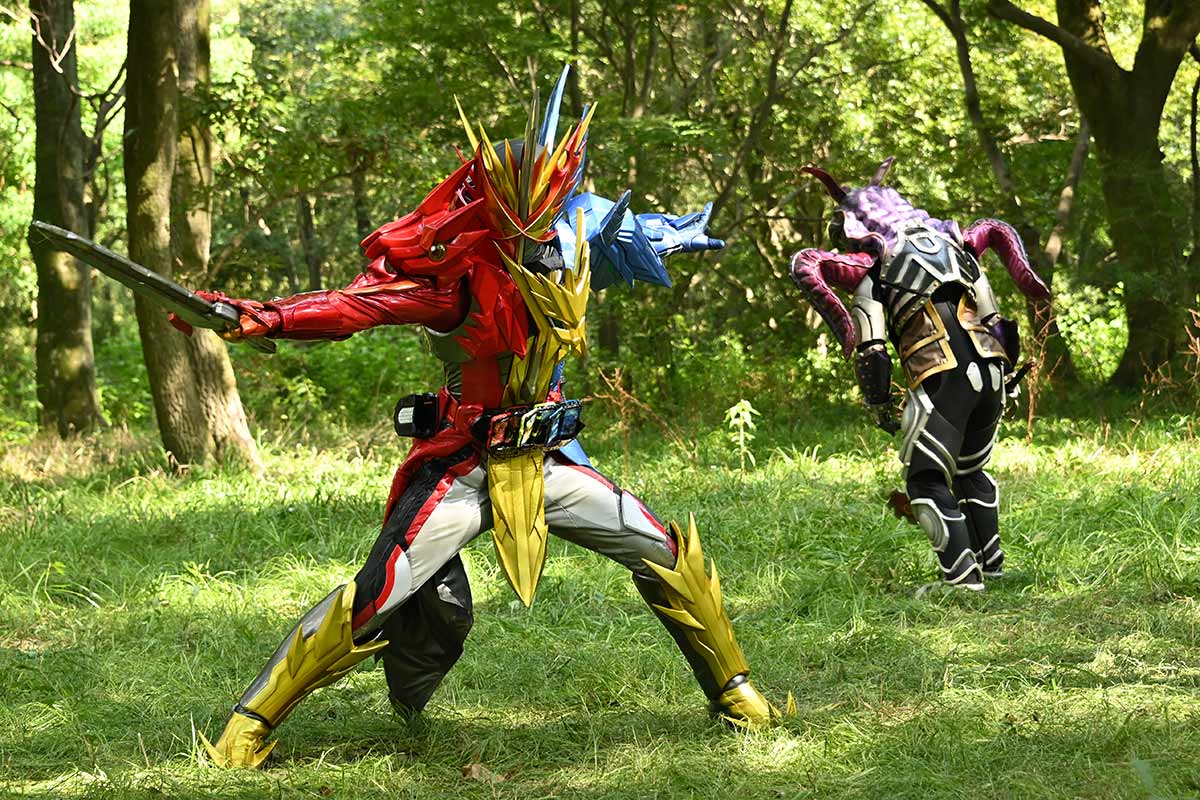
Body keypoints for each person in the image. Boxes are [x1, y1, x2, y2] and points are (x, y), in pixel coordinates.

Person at [184, 67, 776, 768]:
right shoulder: (454, 277)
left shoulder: (577, 235)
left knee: (666, 555)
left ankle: (735, 691)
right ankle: (248, 724)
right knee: (378, 595)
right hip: (464, 465)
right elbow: (354, 306)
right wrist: (265, 317)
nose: (533, 239)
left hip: (552, 460)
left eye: (544, 219)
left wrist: (677, 234)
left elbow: (630, 231)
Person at [787, 157, 1049, 591]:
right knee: (970, 470)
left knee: (925, 477)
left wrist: (878, 402)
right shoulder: (961, 251)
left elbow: (872, 347)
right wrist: (1006, 375)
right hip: (991, 370)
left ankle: (961, 580)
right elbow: (995, 320)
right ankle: (991, 566)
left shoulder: (876, 266)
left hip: (940, 375)